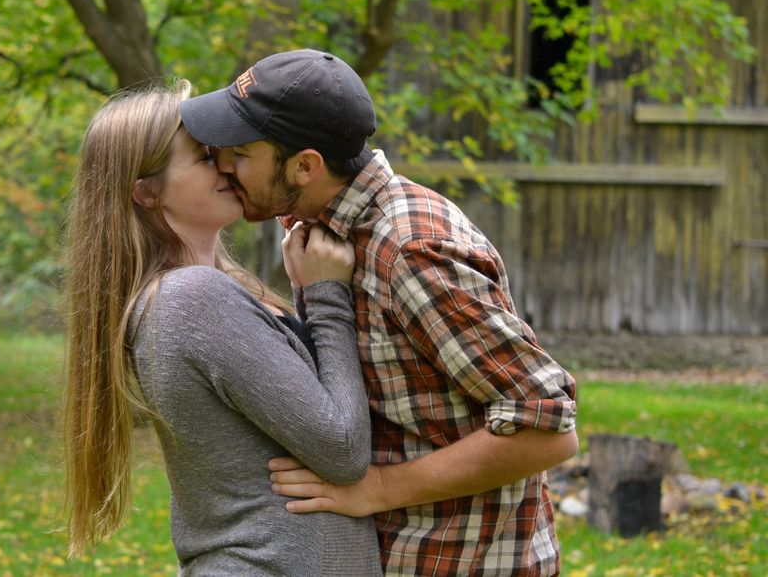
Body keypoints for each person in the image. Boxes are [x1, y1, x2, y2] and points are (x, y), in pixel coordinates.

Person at [179, 49, 579, 576]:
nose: (223, 163)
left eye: (243, 152)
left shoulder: (410, 250)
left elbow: (545, 426)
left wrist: (377, 488)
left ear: (305, 166)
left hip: (463, 562)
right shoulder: (326, 236)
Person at [61, 81, 382, 576]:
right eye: (204, 157)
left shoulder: (214, 293)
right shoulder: (192, 300)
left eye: (228, 151)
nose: (228, 164)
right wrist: (327, 300)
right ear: (146, 192)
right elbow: (342, 449)